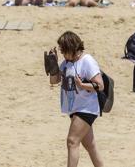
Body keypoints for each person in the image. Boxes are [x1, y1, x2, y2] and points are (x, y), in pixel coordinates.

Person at [47, 31, 104, 167]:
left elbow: (100, 85)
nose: (61, 53)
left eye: (63, 50)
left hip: (86, 108)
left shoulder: (87, 61)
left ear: (71, 48)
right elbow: (54, 81)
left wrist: (82, 85)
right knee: (90, 145)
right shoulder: (67, 63)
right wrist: (53, 65)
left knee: (72, 141)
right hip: (74, 108)